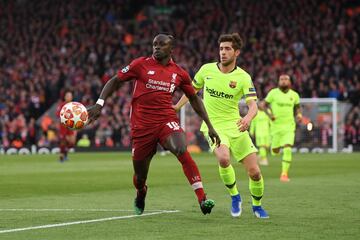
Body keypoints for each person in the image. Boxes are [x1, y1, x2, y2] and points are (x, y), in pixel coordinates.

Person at [87, 34, 221, 215]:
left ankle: (202, 198)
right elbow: (115, 81)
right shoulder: (140, 65)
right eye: (154, 44)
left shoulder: (179, 73)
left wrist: (210, 126)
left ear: (171, 49)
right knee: (140, 177)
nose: (156, 47)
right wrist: (99, 104)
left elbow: (194, 99)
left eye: (161, 44)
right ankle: (141, 192)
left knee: (181, 148)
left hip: (166, 120)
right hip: (141, 126)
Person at [174, 33, 269, 218]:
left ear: (237, 52)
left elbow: (253, 106)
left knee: (255, 172)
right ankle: (235, 196)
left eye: (227, 49)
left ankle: (257, 206)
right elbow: (191, 91)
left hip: (236, 126)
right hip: (213, 126)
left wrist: (248, 118)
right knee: (224, 159)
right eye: (221, 49)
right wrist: (177, 106)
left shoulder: (243, 77)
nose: (223, 53)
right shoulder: (206, 70)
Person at [264, 74, 302, 182]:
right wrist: (269, 114)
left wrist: (299, 115)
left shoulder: (294, 95)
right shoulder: (273, 93)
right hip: (276, 127)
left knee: (287, 148)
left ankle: (284, 174)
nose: (284, 81)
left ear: (289, 82)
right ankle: (274, 148)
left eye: (286, 79)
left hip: (289, 126)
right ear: (278, 82)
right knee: (275, 151)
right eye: (281, 79)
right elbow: (263, 105)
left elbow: (298, 107)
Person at [57, 91, 77, 162]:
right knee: (63, 141)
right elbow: (58, 115)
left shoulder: (74, 106)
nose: (69, 97)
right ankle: (62, 156)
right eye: (67, 96)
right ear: (65, 97)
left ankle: (64, 154)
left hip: (71, 126)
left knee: (72, 142)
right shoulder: (61, 105)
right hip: (63, 126)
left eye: (70, 96)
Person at [250, 100, 271, 166]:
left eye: (263, 104)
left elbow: (271, 122)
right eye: (260, 104)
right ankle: (264, 159)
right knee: (262, 146)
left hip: (267, 132)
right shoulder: (256, 113)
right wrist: (251, 131)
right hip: (259, 132)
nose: (262, 105)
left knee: (267, 146)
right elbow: (253, 122)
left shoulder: (268, 112)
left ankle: (259, 157)